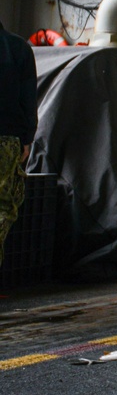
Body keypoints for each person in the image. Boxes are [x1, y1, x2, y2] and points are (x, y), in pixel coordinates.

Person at [0, 21, 36, 265]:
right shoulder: (18, 48)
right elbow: (28, 99)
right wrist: (26, 139)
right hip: (7, 140)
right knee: (3, 209)